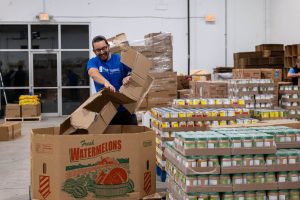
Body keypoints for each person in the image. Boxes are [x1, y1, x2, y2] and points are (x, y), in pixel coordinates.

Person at [86, 35, 137, 125]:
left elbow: (134, 70)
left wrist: (128, 76)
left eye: (104, 48)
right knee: (110, 139)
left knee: (132, 137)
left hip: (126, 108)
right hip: (107, 110)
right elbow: (93, 73)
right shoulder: (93, 62)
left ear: (108, 46)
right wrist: (105, 82)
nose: (102, 52)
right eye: (98, 50)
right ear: (94, 51)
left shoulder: (120, 58)